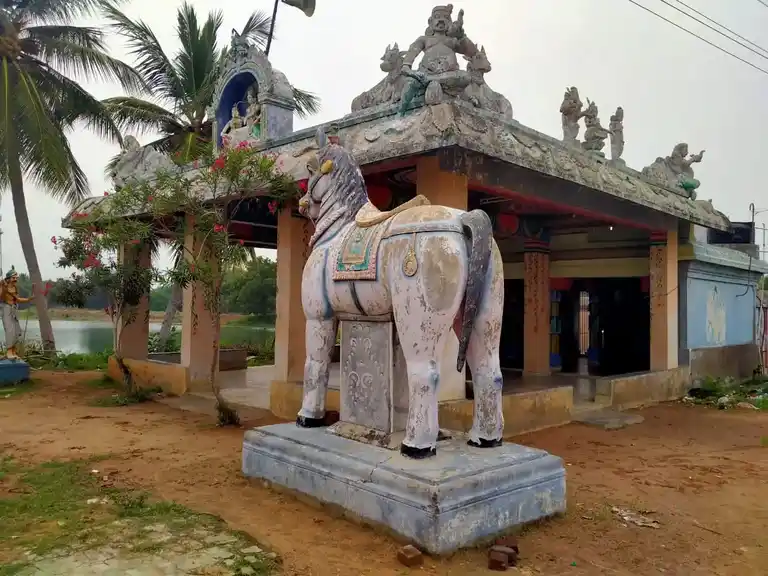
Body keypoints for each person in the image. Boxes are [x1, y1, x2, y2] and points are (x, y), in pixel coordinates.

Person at [0, 267, 33, 360]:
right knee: (10, 331)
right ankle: (9, 351)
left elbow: (18, 299)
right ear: (9, 278)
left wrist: (28, 299)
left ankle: (13, 351)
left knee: (16, 331)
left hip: (14, 309)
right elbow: (1, 297)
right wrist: (3, 288)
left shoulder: (14, 287)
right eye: (14, 277)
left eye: (16, 278)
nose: (15, 279)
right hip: (6, 309)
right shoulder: (3, 286)